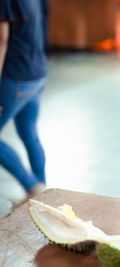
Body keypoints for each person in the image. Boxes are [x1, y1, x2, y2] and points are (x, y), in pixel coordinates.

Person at [0, 0, 48, 206]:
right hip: (37, 73)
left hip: (16, 78)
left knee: (28, 133)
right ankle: (43, 195)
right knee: (29, 133)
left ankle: (33, 186)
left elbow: (1, 40)